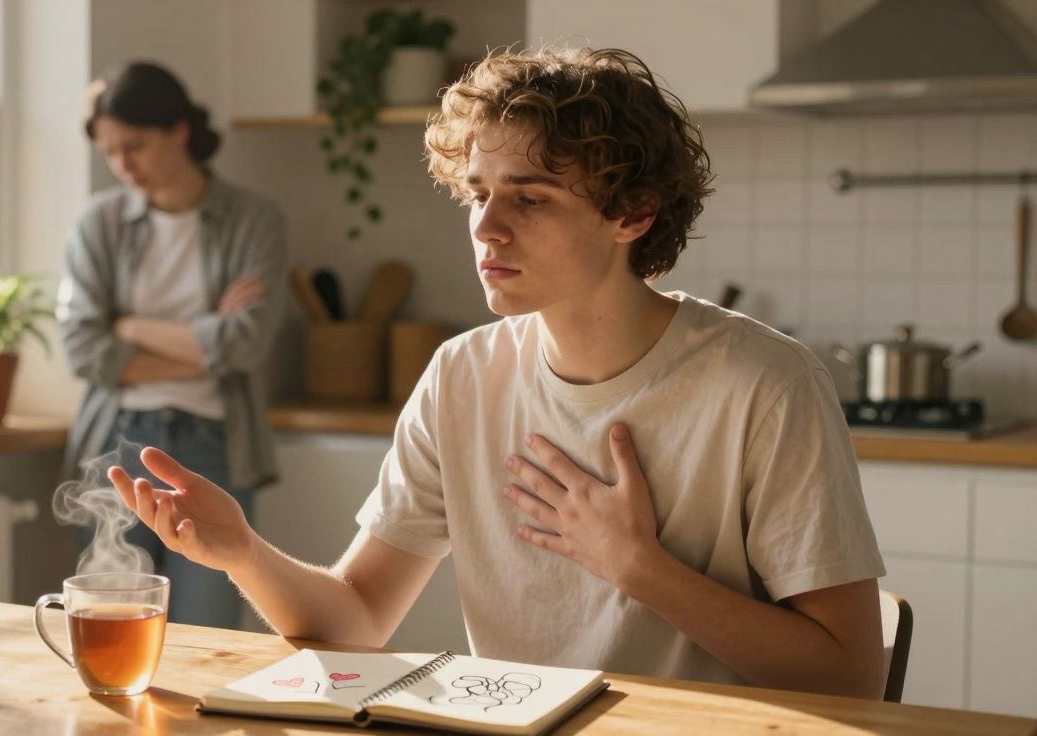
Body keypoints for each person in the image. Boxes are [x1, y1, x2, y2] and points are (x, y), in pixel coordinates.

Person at [108, 48, 888, 698]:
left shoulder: (766, 384)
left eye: (532, 197)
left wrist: (639, 569)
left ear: (634, 213)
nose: (486, 224)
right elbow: (355, 620)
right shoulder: (461, 376)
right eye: (477, 193)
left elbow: (851, 677)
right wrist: (242, 550)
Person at [60, 60, 287, 630]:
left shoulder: (253, 219)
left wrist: (130, 326)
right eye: (110, 152)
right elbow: (83, 349)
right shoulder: (99, 223)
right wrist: (206, 333)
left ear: (179, 129)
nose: (122, 165)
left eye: (134, 145)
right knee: (113, 624)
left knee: (207, 635)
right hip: (116, 444)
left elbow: (247, 345)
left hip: (212, 448)